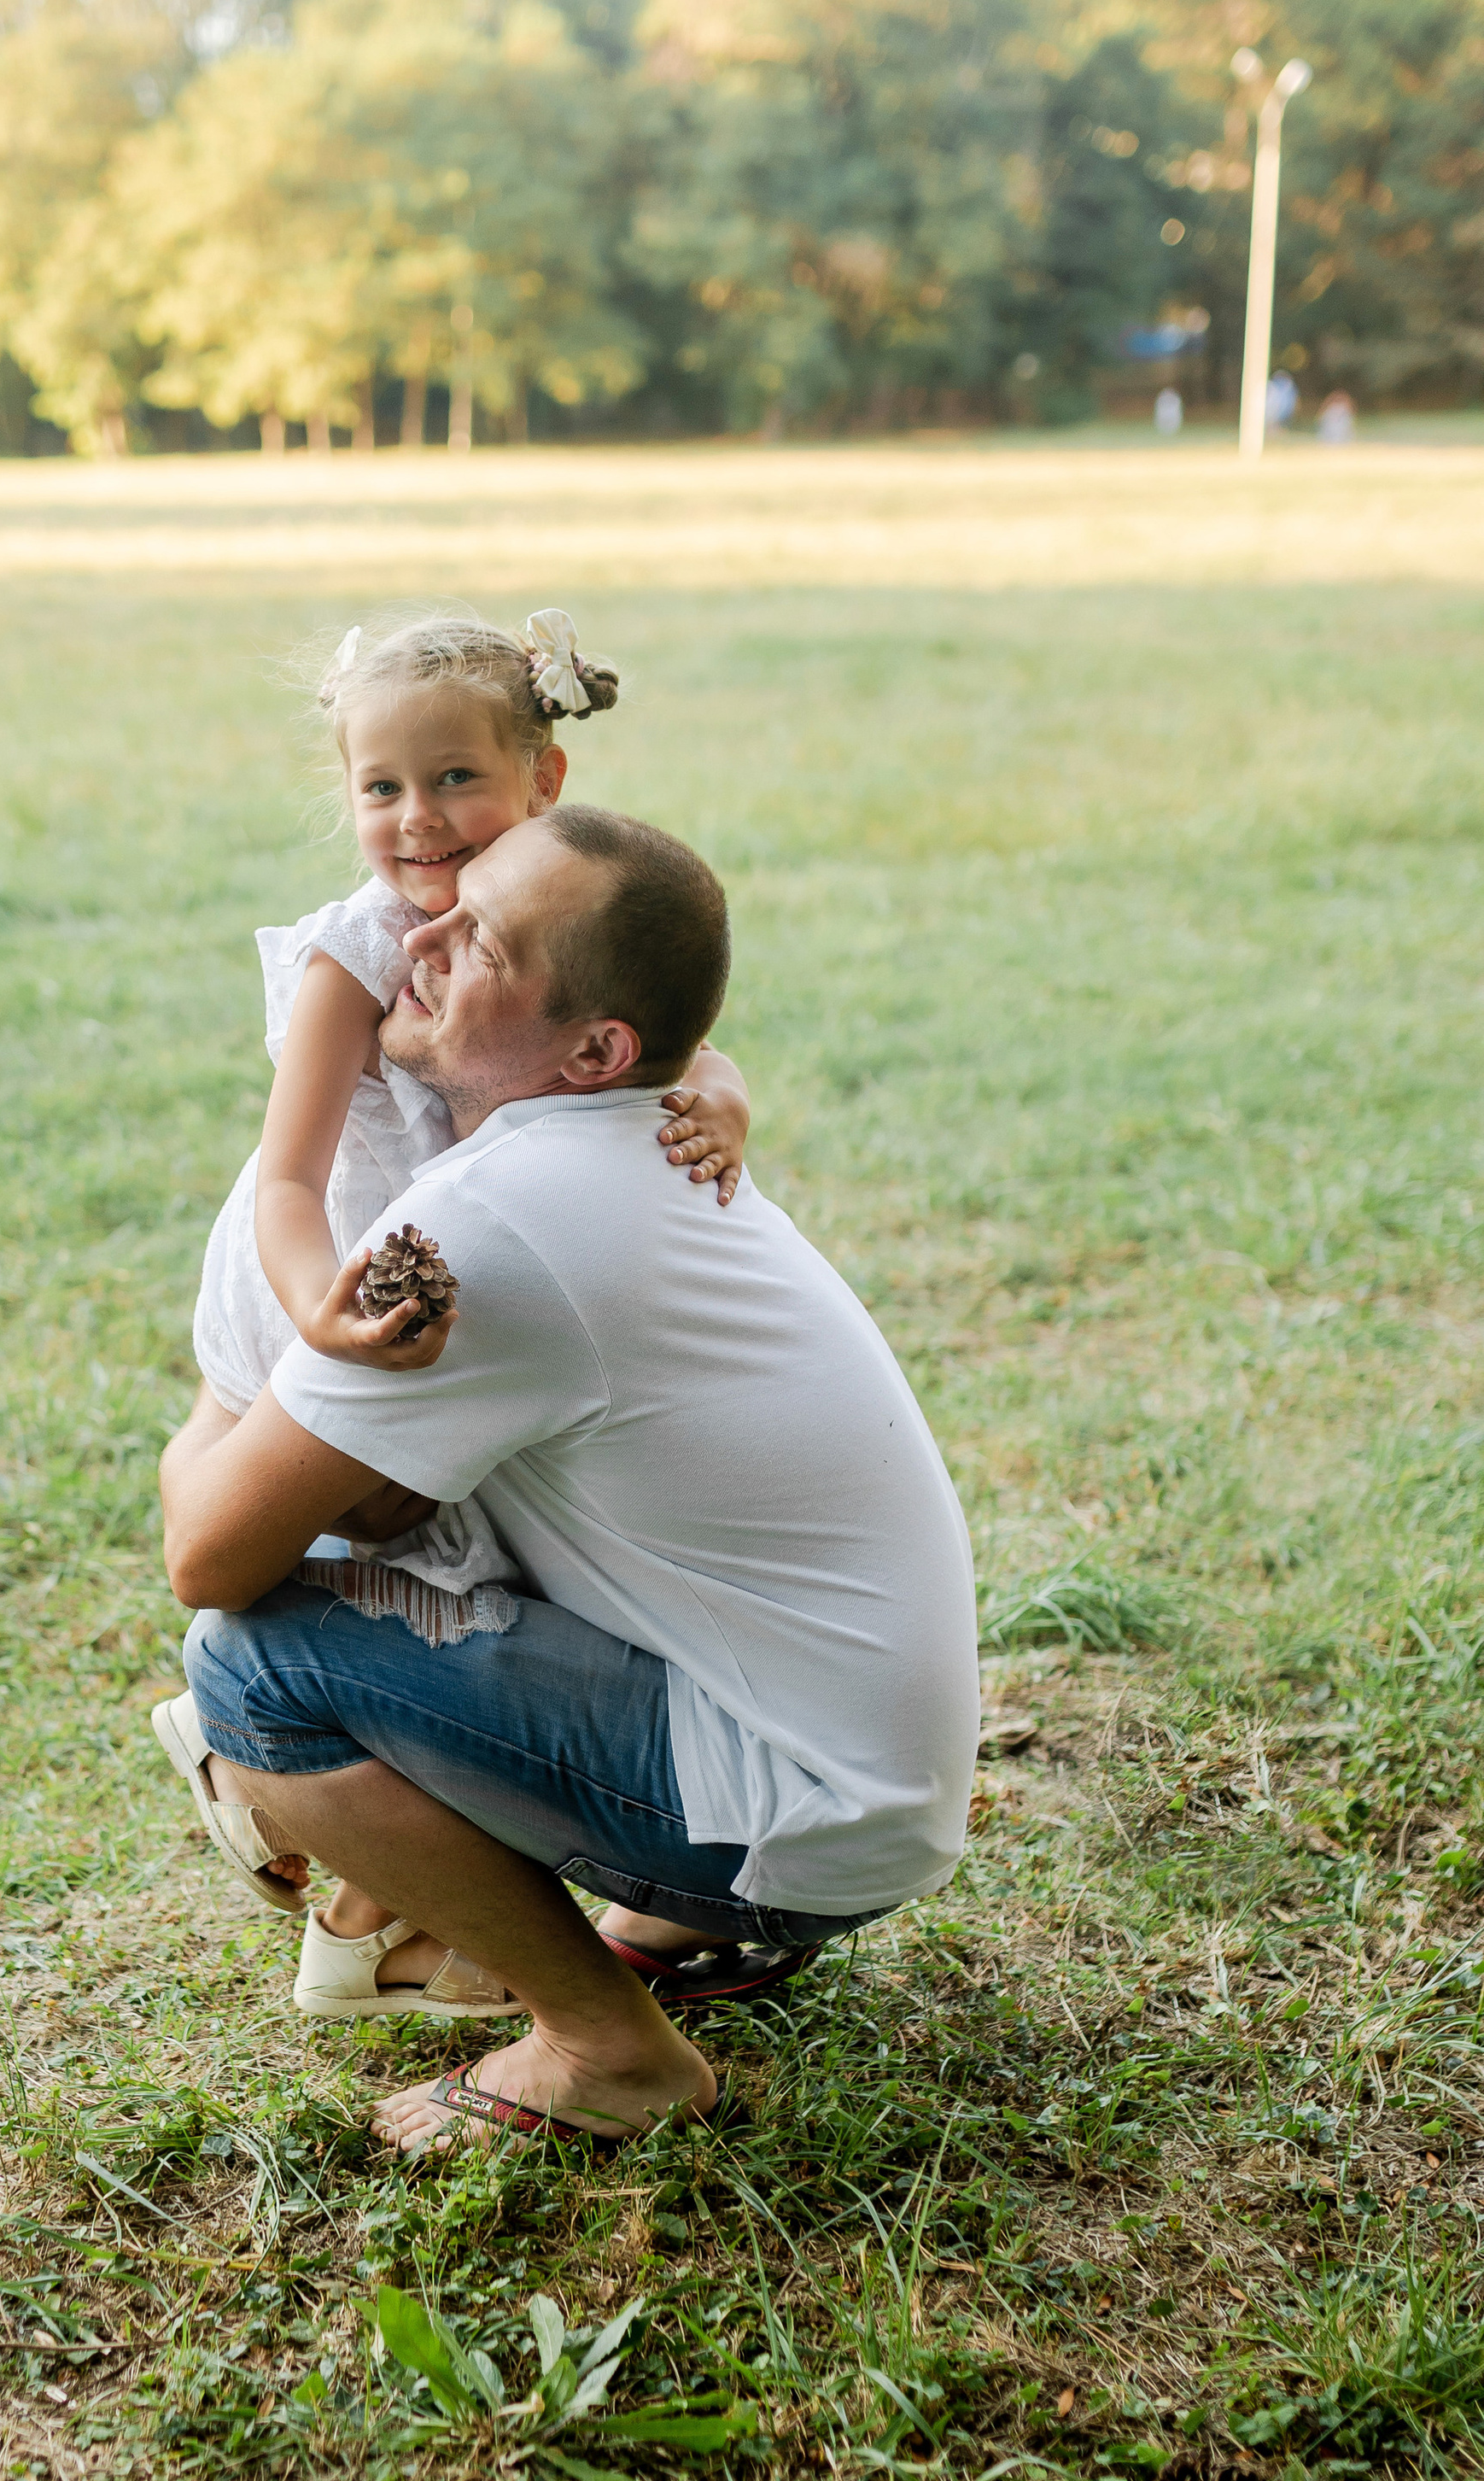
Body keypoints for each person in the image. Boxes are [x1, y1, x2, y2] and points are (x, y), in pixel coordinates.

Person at [156, 805, 981, 2151]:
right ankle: (672, 1923)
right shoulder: (639, 1139)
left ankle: (608, 2051)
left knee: (252, 1667)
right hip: (862, 1786)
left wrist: (223, 1392)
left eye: (477, 939)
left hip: (800, 1806)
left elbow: (215, 1554)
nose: (417, 938)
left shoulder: (494, 1218)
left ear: (593, 1050)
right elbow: (382, 1505)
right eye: (446, 902)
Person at [165, 611, 752, 1909]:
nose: (416, 819)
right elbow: (288, 1173)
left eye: (454, 780)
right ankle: (267, 1755)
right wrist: (316, 1309)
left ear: (544, 777)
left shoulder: (562, 900)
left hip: (459, 1264)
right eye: (381, 788)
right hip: (335, 1264)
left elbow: (658, 1029)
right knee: (403, 1537)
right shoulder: (354, 953)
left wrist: (728, 1097)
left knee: (472, 1542)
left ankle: (381, 1886)